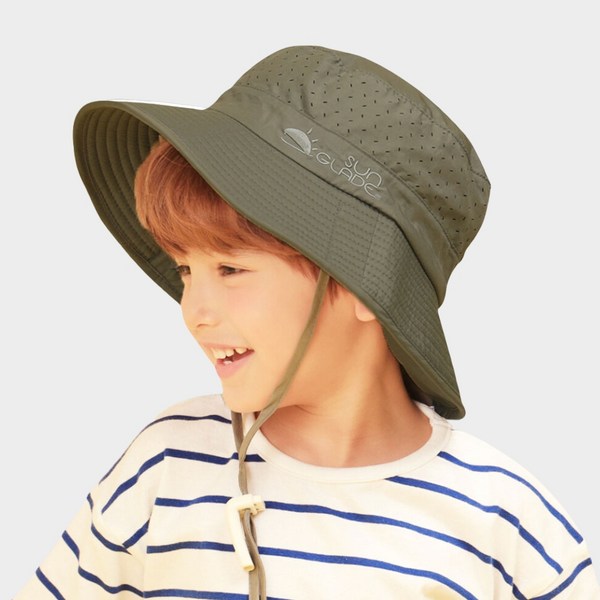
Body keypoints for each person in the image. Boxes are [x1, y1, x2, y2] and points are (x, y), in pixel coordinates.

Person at [16, 45, 599, 599]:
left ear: (369, 284)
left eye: (230, 269)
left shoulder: (503, 523)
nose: (194, 311)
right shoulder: (166, 467)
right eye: (186, 269)